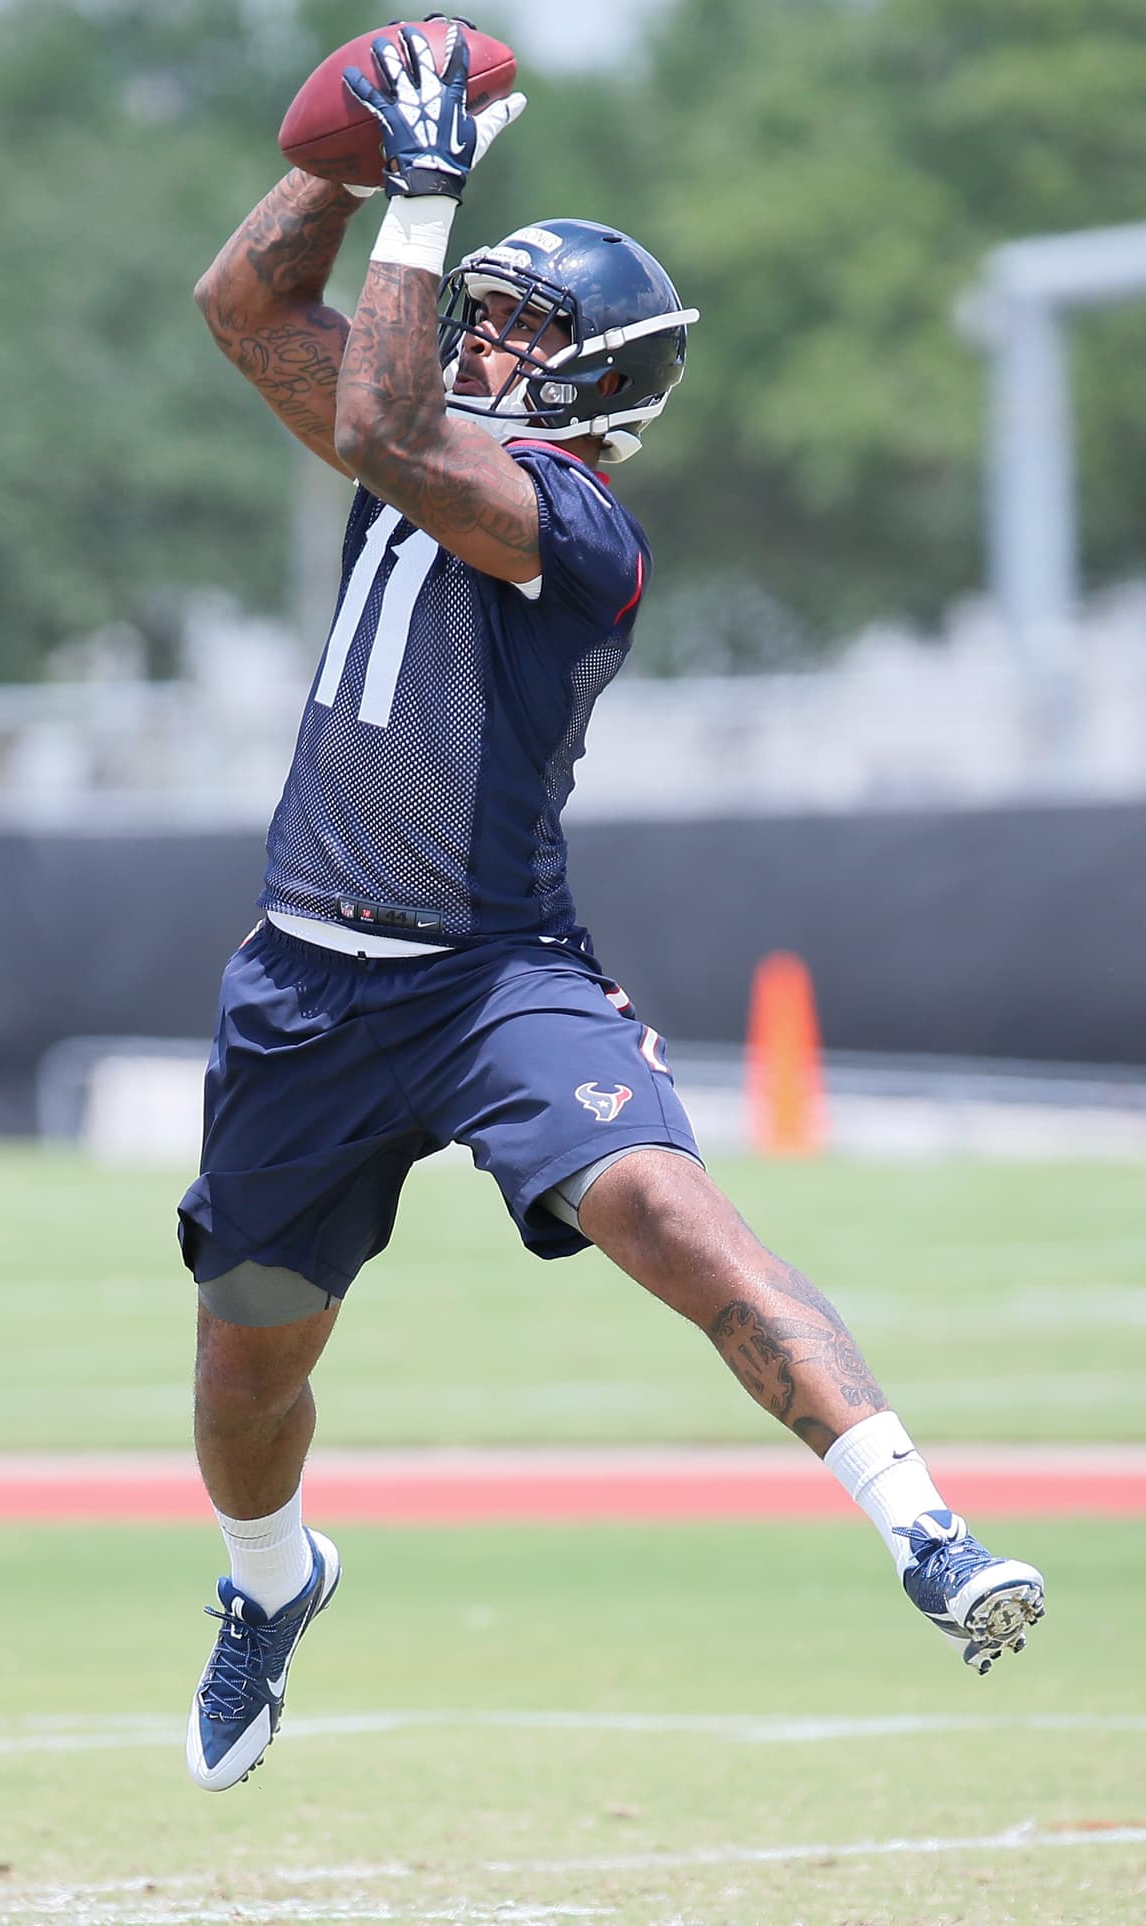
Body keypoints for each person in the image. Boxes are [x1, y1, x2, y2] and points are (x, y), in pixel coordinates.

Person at [178, 20, 1045, 1794]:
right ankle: (271, 1579)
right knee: (248, 1372)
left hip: (488, 980)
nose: (485, 337)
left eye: (525, 330)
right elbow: (245, 308)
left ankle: (926, 1528)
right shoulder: (410, 429)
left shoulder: (574, 524)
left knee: (664, 1204)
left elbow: (387, 422)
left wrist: (427, 190)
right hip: (306, 988)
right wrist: (350, 161)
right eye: (483, 310)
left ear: (602, 391)